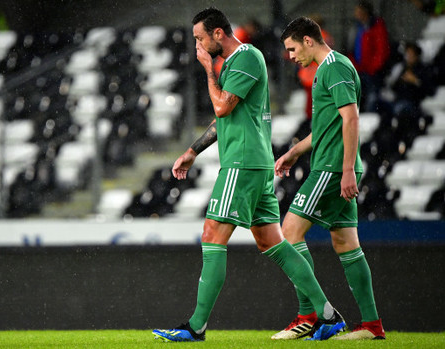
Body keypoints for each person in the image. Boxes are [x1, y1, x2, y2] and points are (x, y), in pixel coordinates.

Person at [152, 8, 345, 343]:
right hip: (253, 162)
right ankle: (328, 315)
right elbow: (225, 117)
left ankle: (196, 326)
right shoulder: (235, 63)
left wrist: (208, 71)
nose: (197, 45)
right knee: (272, 241)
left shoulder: (245, 57)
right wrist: (193, 151)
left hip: (242, 164)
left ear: (217, 34)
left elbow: (222, 106)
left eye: (200, 38)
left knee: (212, 234)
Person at [274, 17, 385, 340]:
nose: (291, 56)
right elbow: (328, 126)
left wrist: (348, 169)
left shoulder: (334, 67)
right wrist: (296, 151)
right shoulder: (330, 68)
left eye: (293, 48)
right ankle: (371, 326)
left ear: (309, 40)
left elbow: (351, 119)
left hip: (333, 168)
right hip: (332, 163)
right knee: (346, 243)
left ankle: (312, 315)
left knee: (289, 233)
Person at [348, 0, 390, 112]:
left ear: (365, 12)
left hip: (372, 71)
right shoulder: (357, 28)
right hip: (359, 70)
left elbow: (381, 50)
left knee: (372, 97)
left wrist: (373, 67)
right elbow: (351, 48)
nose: (355, 14)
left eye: (358, 12)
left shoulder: (376, 26)